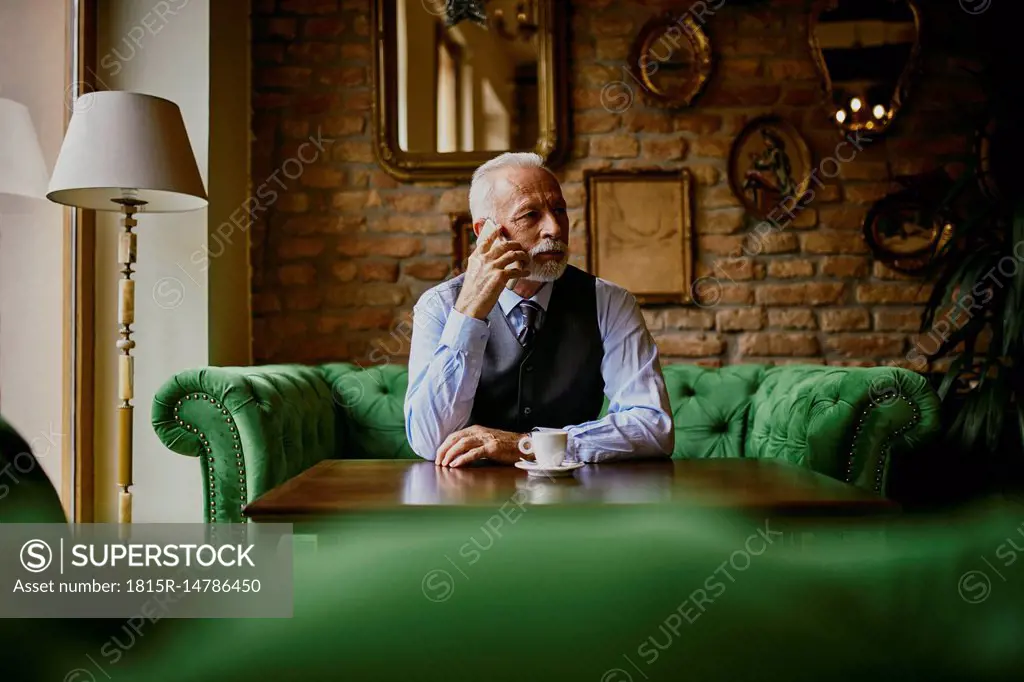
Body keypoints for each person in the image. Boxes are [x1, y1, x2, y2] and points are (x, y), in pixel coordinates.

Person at [403, 152, 674, 467]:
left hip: (574, 495)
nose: (555, 229)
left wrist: (528, 446)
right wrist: (469, 312)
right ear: (485, 231)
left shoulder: (610, 302)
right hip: (466, 498)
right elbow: (428, 440)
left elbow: (654, 426)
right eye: (530, 215)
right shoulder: (439, 306)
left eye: (559, 210)